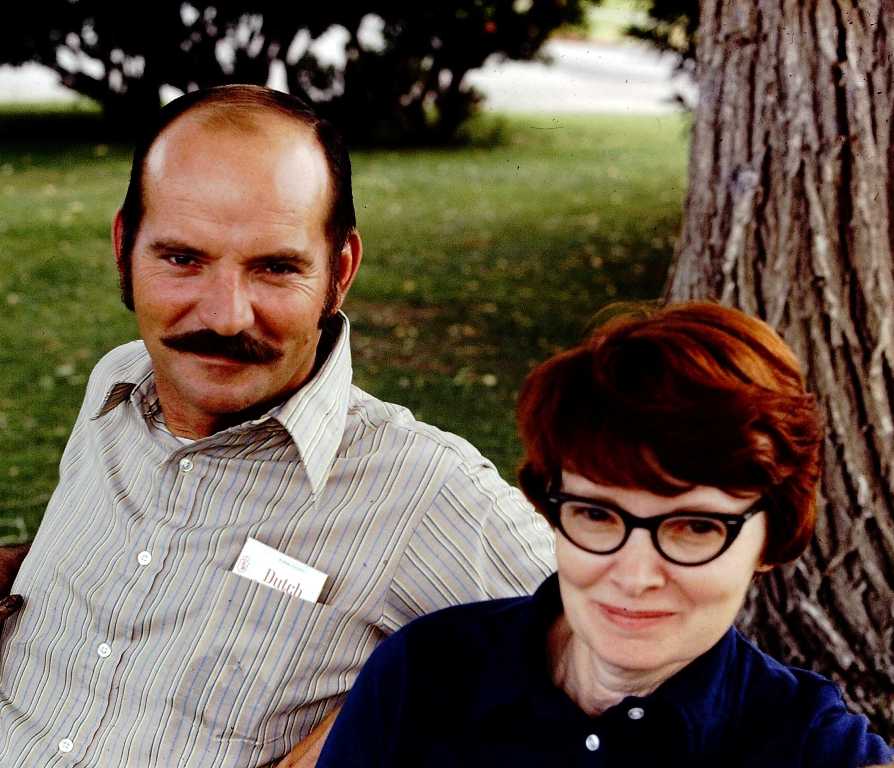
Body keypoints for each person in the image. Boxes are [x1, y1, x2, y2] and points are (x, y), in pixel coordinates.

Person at [0, 85, 554, 768]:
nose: (225, 315)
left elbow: (628, 665)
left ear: (339, 273)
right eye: (182, 259)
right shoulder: (118, 385)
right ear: (124, 249)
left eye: (275, 268)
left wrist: (398, 707)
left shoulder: (426, 493)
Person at [317, 302, 894, 767]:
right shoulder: (422, 674)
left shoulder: (811, 747)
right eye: (598, 515)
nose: (635, 576)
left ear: (773, 537)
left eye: (695, 527)